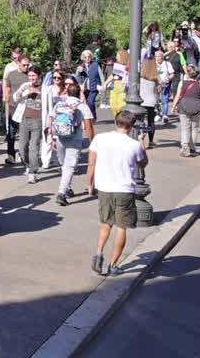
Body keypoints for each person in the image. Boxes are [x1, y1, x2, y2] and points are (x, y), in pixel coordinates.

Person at [87, 108, 148, 276]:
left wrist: (90, 183)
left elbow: (91, 163)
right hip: (124, 190)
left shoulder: (100, 138)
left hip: (105, 188)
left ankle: (99, 253)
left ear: (116, 122)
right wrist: (142, 142)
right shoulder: (134, 144)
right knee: (122, 227)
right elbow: (143, 163)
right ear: (131, 126)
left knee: (105, 223)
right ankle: (112, 265)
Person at [51, 84, 94, 207]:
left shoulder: (59, 104)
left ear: (67, 92)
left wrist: (53, 137)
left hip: (60, 137)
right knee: (69, 166)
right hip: (75, 138)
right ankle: (61, 193)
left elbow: (52, 119)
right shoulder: (82, 106)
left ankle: (67, 188)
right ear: (79, 93)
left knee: (63, 164)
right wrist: (92, 141)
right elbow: (89, 126)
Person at [12, 67, 44, 184]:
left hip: (38, 120)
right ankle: (28, 165)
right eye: (30, 76)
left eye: (34, 76)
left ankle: (33, 172)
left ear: (39, 76)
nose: (31, 78)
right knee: (22, 147)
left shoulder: (45, 87)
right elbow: (15, 98)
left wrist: (36, 92)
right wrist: (22, 91)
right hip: (24, 119)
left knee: (34, 147)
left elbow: (50, 99)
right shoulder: (25, 85)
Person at [174, 63, 200, 157]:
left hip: (184, 107)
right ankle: (192, 147)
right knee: (194, 128)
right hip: (197, 108)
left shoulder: (182, 83)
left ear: (187, 73)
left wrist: (173, 106)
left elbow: (178, 95)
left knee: (185, 128)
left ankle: (185, 145)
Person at [2, 56, 31, 164]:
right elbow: (7, 88)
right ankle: (11, 156)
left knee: (26, 133)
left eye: (28, 65)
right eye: (24, 65)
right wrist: (7, 101)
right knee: (11, 132)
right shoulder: (12, 74)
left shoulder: (31, 75)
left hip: (27, 107)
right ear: (18, 63)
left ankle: (24, 155)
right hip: (14, 107)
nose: (26, 67)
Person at [78, 50, 105, 117]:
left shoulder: (95, 65)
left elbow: (101, 75)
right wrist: (79, 72)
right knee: (85, 103)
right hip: (84, 88)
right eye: (85, 57)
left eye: (89, 57)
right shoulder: (81, 66)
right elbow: (77, 77)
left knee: (90, 102)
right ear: (83, 58)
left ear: (91, 57)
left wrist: (104, 84)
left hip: (94, 87)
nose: (87, 59)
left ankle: (93, 115)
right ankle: (87, 117)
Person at [156, 49, 177, 125]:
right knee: (156, 100)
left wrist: (169, 78)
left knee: (164, 100)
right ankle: (157, 113)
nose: (158, 58)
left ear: (162, 57)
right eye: (157, 56)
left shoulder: (167, 64)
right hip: (156, 84)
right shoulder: (153, 64)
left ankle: (165, 115)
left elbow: (172, 73)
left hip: (165, 84)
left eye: (160, 56)